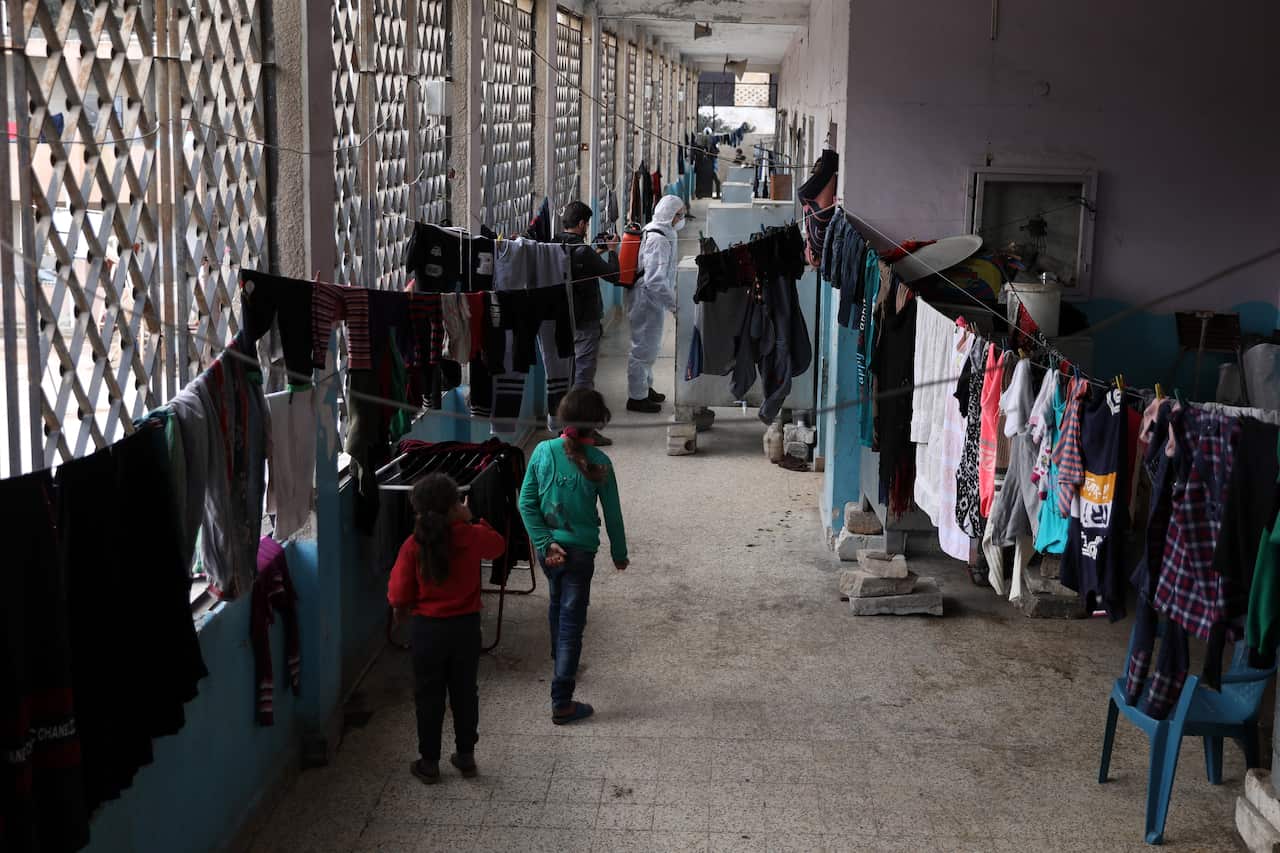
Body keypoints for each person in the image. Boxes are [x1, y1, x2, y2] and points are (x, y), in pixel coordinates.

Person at [518, 390, 628, 725]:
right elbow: (613, 514)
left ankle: (560, 662)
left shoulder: (542, 451)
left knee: (556, 604)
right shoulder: (601, 461)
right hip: (580, 555)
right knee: (571, 623)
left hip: (548, 552)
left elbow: (526, 504)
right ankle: (562, 701)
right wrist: (619, 554)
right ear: (597, 424)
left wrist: (545, 542)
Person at [387, 474, 507, 784]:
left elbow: (399, 593)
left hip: (427, 631)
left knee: (428, 694)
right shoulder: (471, 535)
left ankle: (429, 762)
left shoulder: (413, 545)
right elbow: (498, 546)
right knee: (465, 692)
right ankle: (465, 755)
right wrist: (473, 519)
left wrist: (401, 612)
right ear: (455, 507)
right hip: (465, 628)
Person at [555, 201, 622, 445]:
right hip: (585, 322)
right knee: (583, 379)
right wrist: (612, 250)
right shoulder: (584, 251)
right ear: (582, 224)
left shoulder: (552, 245)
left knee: (563, 377)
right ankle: (581, 433)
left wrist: (597, 254)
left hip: (560, 322)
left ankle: (562, 426)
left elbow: (577, 268)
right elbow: (613, 275)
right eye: (587, 224)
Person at [625, 194, 684, 413]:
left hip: (651, 299)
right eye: (679, 215)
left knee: (650, 347)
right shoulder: (658, 239)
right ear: (670, 215)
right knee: (642, 348)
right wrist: (674, 305)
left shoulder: (662, 232)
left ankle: (645, 387)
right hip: (646, 299)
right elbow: (655, 280)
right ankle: (636, 397)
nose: (681, 219)